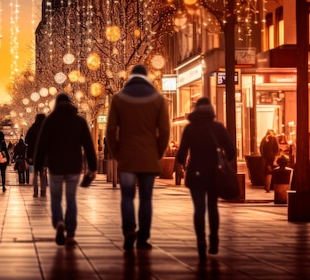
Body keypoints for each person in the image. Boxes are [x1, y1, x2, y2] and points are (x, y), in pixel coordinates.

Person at [106, 64, 170, 252]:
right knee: (146, 198)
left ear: (130, 77)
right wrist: (158, 152)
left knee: (127, 196)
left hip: (126, 157)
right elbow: (165, 131)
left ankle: (128, 231)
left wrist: (116, 152)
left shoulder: (118, 98)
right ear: (146, 77)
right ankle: (143, 237)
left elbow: (111, 130)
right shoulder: (158, 99)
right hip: (149, 157)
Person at [175, 97, 236, 261]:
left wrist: (183, 164)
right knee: (212, 207)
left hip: (196, 174)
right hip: (214, 173)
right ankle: (214, 240)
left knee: (199, 209)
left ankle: (201, 241)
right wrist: (222, 161)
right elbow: (231, 151)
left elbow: (181, 154)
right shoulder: (218, 128)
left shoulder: (190, 129)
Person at [35, 93, 97, 246]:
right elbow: (88, 145)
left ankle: (59, 222)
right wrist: (93, 167)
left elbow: (41, 145)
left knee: (55, 198)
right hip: (73, 166)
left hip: (55, 166)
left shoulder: (50, 121)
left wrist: (37, 166)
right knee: (71, 199)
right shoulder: (79, 121)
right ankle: (70, 233)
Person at [26, 113, 47, 197]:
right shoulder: (46, 128)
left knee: (35, 173)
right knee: (43, 173)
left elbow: (27, 141)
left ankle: (35, 191)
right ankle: (43, 191)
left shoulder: (32, 128)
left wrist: (29, 156)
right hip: (44, 154)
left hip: (34, 154)